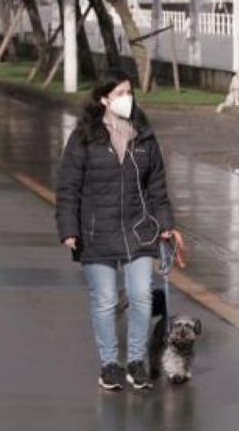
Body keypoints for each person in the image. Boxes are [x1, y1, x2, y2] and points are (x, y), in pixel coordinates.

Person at [55, 70, 177, 392]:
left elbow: (157, 187)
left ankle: (136, 362)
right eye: (121, 92)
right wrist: (69, 229)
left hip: (138, 231)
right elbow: (68, 186)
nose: (128, 98)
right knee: (105, 300)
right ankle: (109, 364)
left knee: (141, 297)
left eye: (129, 92)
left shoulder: (144, 136)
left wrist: (166, 225)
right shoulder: (84, 137)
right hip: (96, 232)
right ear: (104, 99)